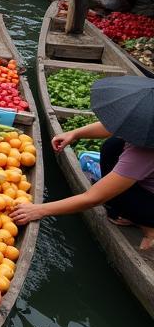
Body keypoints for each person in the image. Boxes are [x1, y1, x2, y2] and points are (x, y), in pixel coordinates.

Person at [11, 100, 154, 252]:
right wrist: (75, 133)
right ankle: (132, 213)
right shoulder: (143, 128)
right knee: (113, 145)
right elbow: (113, 127)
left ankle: (149, 228)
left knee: (112, 190)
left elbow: (93, 198)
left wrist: (40, 209)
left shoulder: (143, 152)